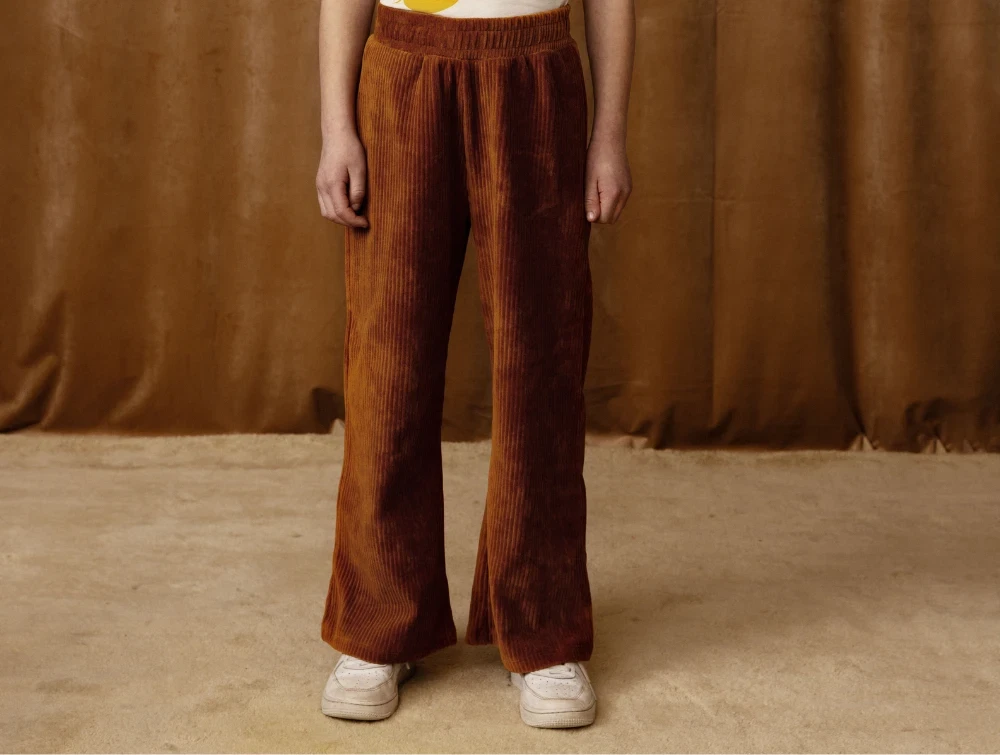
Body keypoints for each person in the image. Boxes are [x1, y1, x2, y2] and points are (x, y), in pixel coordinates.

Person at [314, 0, 633, 729]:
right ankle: (379, 621)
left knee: (540, 360)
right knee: (388, 361)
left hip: (535, 74)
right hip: (402, 72)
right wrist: (337, 128)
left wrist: (609, 136)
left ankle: (542, 627)